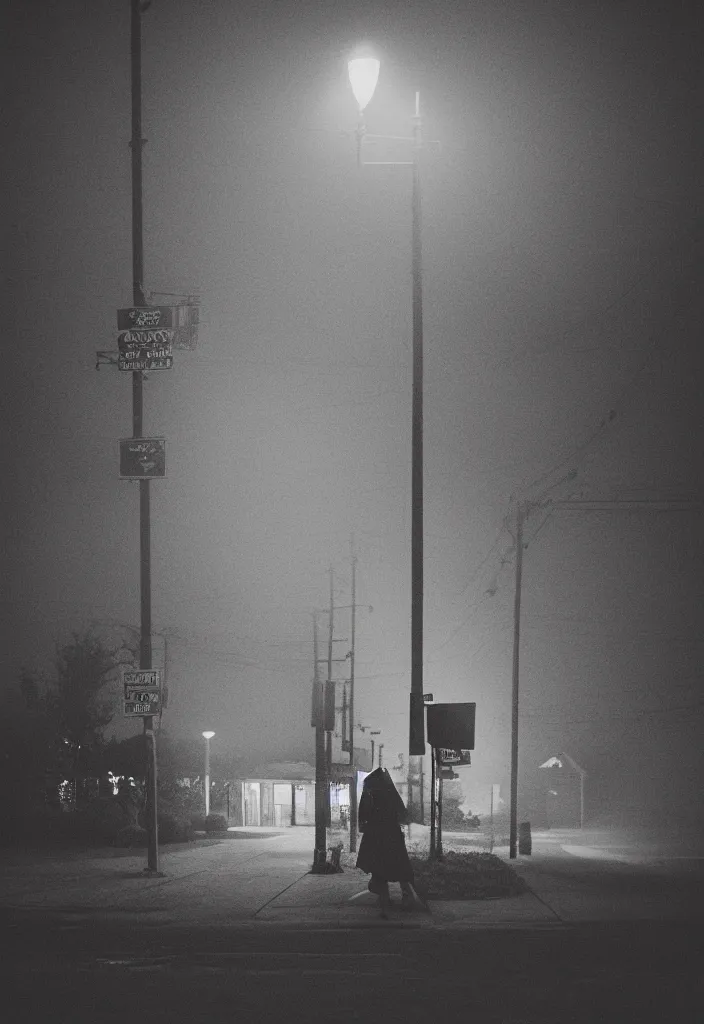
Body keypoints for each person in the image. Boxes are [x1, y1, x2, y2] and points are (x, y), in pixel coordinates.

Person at [356, 767, 424, 911]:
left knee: (379, 868)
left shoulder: (370, 788)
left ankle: (385, 900)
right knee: (400, 867)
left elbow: (364, 813)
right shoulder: (389, 790)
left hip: (375, 836)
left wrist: (366, 824)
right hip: (392, 835)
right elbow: (402, 814)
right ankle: (406, 897)